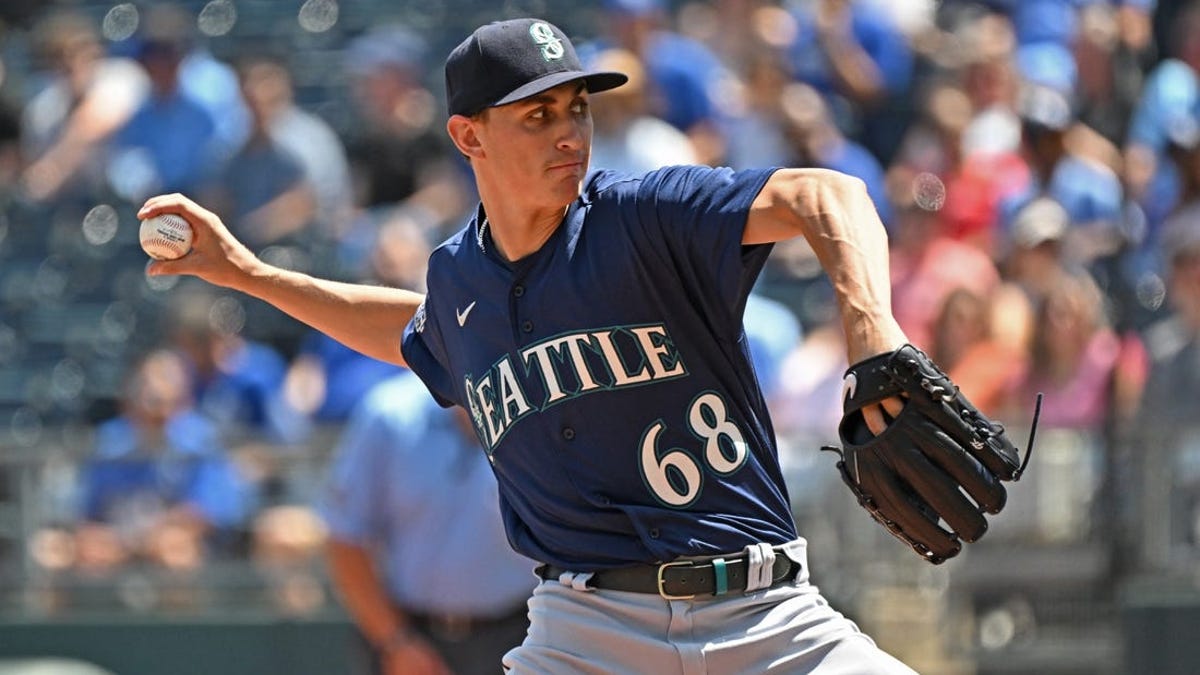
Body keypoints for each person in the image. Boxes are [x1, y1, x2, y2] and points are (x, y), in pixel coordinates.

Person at [136, 17, 916, 672]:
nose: (569, 133)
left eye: (576, 109)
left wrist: (872, 334)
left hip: (764, 614)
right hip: (584, 635)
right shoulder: (460, 283)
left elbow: (829, 194)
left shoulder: (645, 216)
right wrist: (247, 272)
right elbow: (410, 329)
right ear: (467, 135)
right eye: (537, 116)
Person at [322, 373, 535, 675]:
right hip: (411, 635)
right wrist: (395, 641)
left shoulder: (540, 414)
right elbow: (346, 539)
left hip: (521, 635)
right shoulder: (388, 414)